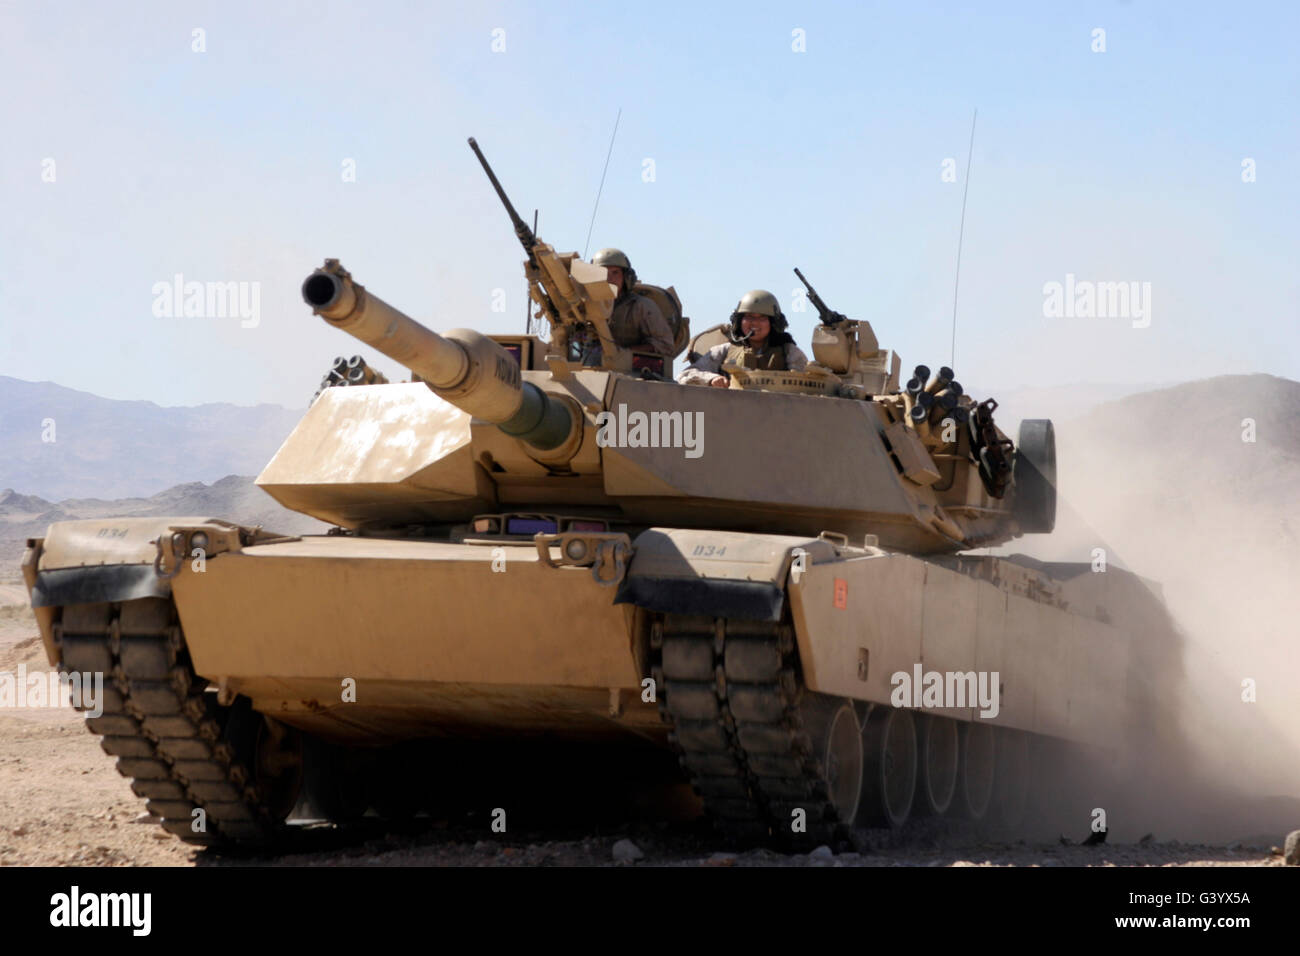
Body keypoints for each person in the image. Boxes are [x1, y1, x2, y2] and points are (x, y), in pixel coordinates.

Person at [678, 289, 807, 387]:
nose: (754, 323)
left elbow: (808, 384)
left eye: (762, 317)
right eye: (749, 317)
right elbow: (685, 375)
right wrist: (711, 379)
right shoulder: (725, 351)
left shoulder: (789, 352)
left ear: (773, 322)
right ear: (739, 321)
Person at [582, 248, 676, 365]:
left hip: (634, 372)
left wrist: (625, 353)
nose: (609, 279)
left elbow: (666, 345)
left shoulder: (641, 306)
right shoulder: (583, 307)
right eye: (603, 273)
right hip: (588, 368)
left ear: (626, 277)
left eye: (615, 272)